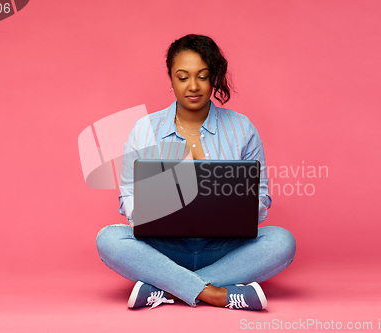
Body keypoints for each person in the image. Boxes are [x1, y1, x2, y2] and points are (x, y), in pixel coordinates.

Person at [96, 34, 296, 310]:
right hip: (165, 248)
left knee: (281, 242)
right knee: (109, 238)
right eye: (182, 77)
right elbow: (127, 197)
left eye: (202, 76)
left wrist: (240, 210)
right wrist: (151, 213)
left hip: (223, 248)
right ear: (170, 78)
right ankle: (217, 294)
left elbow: (261, 199)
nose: (193, 86)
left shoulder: (242, 128)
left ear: (214, 78)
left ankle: (168, 289)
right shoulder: (145, 129)